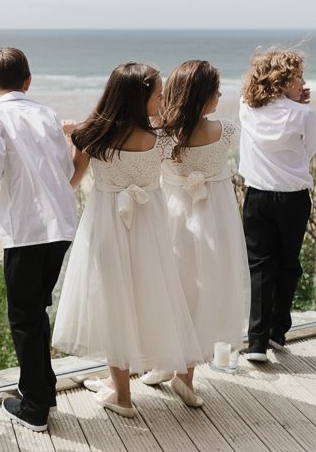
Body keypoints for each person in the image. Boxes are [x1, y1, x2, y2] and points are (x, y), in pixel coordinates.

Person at [52, 62, 202, 417]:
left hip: (106, 225)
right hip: (149, 227)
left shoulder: (91, 134)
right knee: (149, 297)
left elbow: (70, 182)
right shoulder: (162, 139)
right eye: (158, 94)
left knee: (113, 301)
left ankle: (121, 394)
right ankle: (128, 383)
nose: (162, 99)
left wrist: (67, 140)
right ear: (140, 98)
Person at [0, 47, 77, 432]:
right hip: (61, 227)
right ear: (28, 80)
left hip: (25, 230)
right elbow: (65, 167)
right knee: (37, 312)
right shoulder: (48, 113)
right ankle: (46, 389)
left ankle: (35, 408)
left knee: (23, 318)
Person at [141, 60, 249, 400]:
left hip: (172, 215)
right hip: (213, 219)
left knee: (174, 288)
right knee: (198, 292)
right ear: (200, 97)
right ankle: (182, 376)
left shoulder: (161, 137)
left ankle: (169, 366)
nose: (220, 94)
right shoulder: (225, 130)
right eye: (215, 90)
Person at [239, 49, 316, 362]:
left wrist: (292, 101)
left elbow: (266, 105)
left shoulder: (246, 107)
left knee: (259, 267)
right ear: (283, 81)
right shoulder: (303, 115)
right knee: (288, 263)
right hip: (292, 197)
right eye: (297, 76)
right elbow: (309, 150)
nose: (302, 81)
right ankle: (277, 332)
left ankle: (256, 342)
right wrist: (297, 106)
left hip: (256, 196)